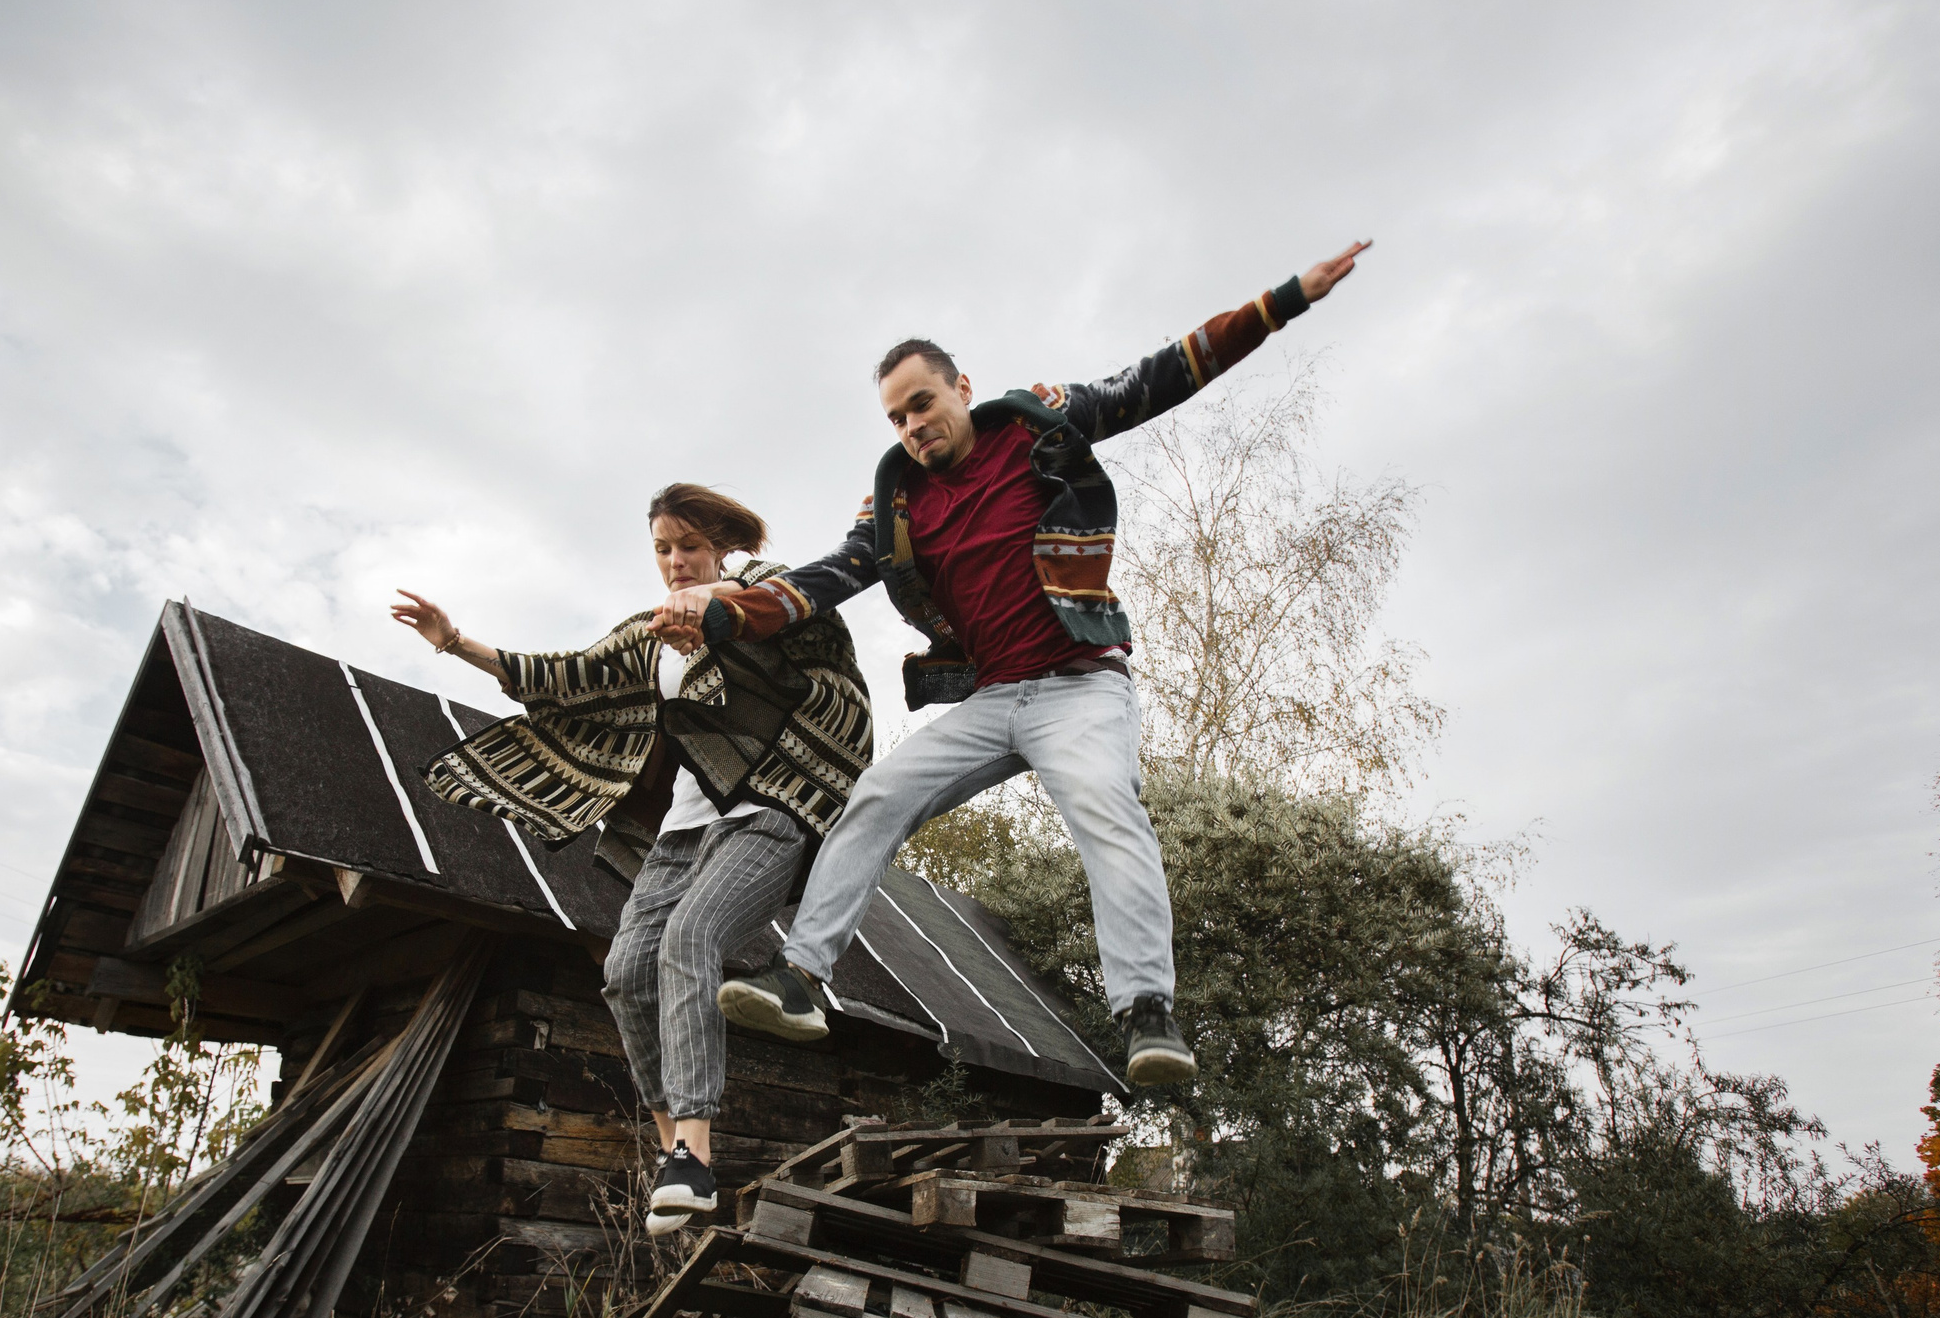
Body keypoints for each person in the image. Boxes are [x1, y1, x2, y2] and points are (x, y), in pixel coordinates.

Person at [652, 242, 1371, 1088]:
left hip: (1080, 684)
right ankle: (803, 976)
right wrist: (729, 612)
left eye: (923, 404)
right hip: (995, 699)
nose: (915, 427)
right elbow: (825, 581)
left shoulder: (1038, 421)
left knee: (1106, 803)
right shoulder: (894, 500)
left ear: (961, 388)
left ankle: (1148, 1013)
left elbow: (1157, 379)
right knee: (879, 795)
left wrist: (1283, 301)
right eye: (896, 418)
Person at [398, 484, 873, 1234]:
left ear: (721, 546)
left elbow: (810, 623)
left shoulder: (761, 593)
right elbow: (566, 675)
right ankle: (676, 1155)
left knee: (692, 942)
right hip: (684, 827)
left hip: (767, 807)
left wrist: (718, 606)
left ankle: (695, 1147)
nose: (676, 561)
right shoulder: (651, 631)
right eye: (662, 548)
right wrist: (456, 642)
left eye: (688, 546)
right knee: (624, 972)